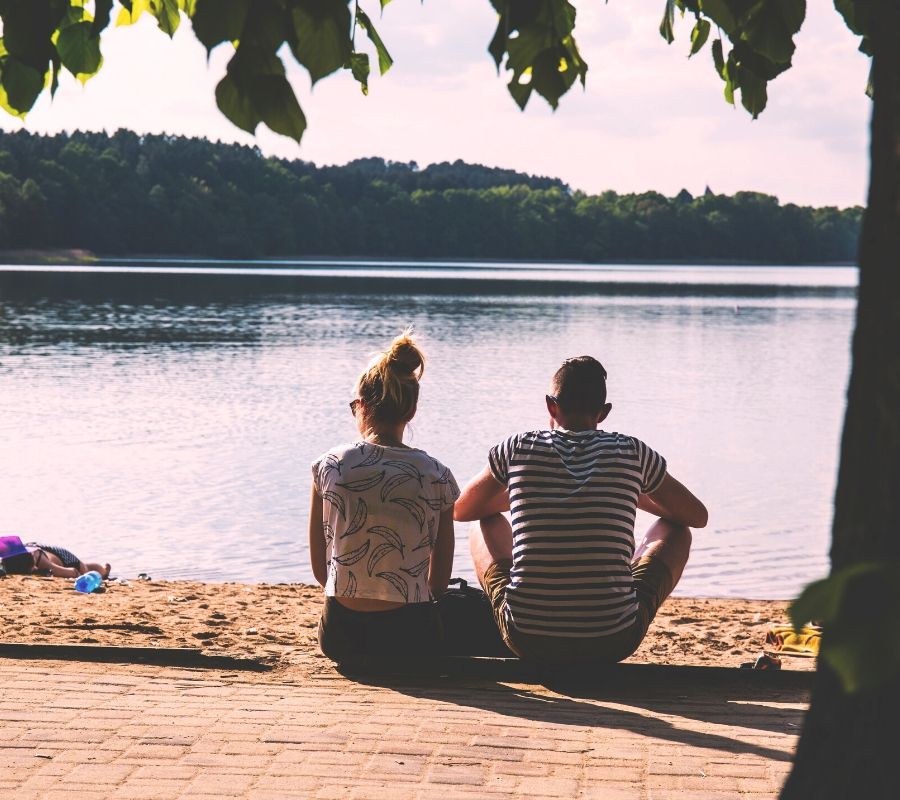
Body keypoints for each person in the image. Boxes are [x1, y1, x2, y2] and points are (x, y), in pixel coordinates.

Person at [455, 355, 707, 666]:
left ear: (551, 406)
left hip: (526, 637)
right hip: (614, 639)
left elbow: (462, 509)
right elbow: (697, 516)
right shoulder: (631, 452)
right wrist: (631, 489)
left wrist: (528, 489)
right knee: (676, 529)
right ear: (604, 413)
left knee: (483, 521)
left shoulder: (518, 447)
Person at [309, 330, 459, 666]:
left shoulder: (329, 465)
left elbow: (322, 572)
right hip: (410, 637)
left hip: (340, 636)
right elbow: (438, 583)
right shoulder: (437, 474)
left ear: (361, 406)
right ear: (411, 411)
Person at [1, 542, 111, 579]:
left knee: (85, 569)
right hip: (31, 547)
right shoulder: (10, 561)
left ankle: (104, 571)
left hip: (61, 556)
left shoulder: (44, 564)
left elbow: (73, 572)